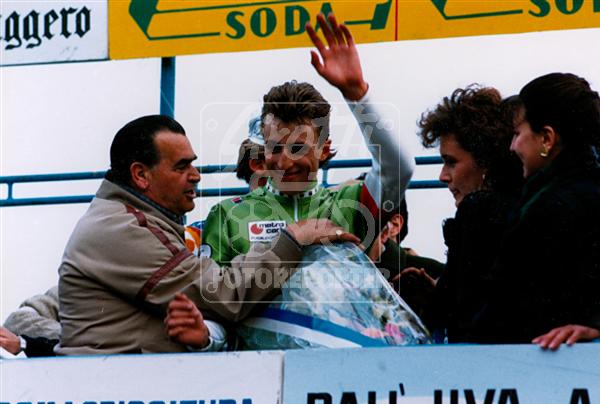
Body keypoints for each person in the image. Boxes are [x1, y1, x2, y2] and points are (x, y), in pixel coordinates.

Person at [56, 114, 359, 355]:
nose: (196, 175)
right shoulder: (123, 229)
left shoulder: (131, 222)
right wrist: (292, 238)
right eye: (182, 166)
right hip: (116, 387)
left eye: (193, 163)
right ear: (141, 175)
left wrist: (205, 337)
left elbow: (206, 310)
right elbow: (226, 296)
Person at [202, 14, 414, 265]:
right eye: (274, 148)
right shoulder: (227, 214)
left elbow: (399, 168)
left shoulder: (350, 204)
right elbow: (212, 288)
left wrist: (358, 95)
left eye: (297, 148)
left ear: (324, 149)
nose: (283, 162)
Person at [481, 73, 600, 348]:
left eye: (517, 133)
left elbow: (503, 312)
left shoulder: (550, 209)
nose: (512, 146)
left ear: (547, 138)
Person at [416, 85, 524, 343]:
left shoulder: (479, 213)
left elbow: (468, 316)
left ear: (485, 160)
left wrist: (439, 299)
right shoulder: (528, 207)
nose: (442, 176)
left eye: (451, 162)